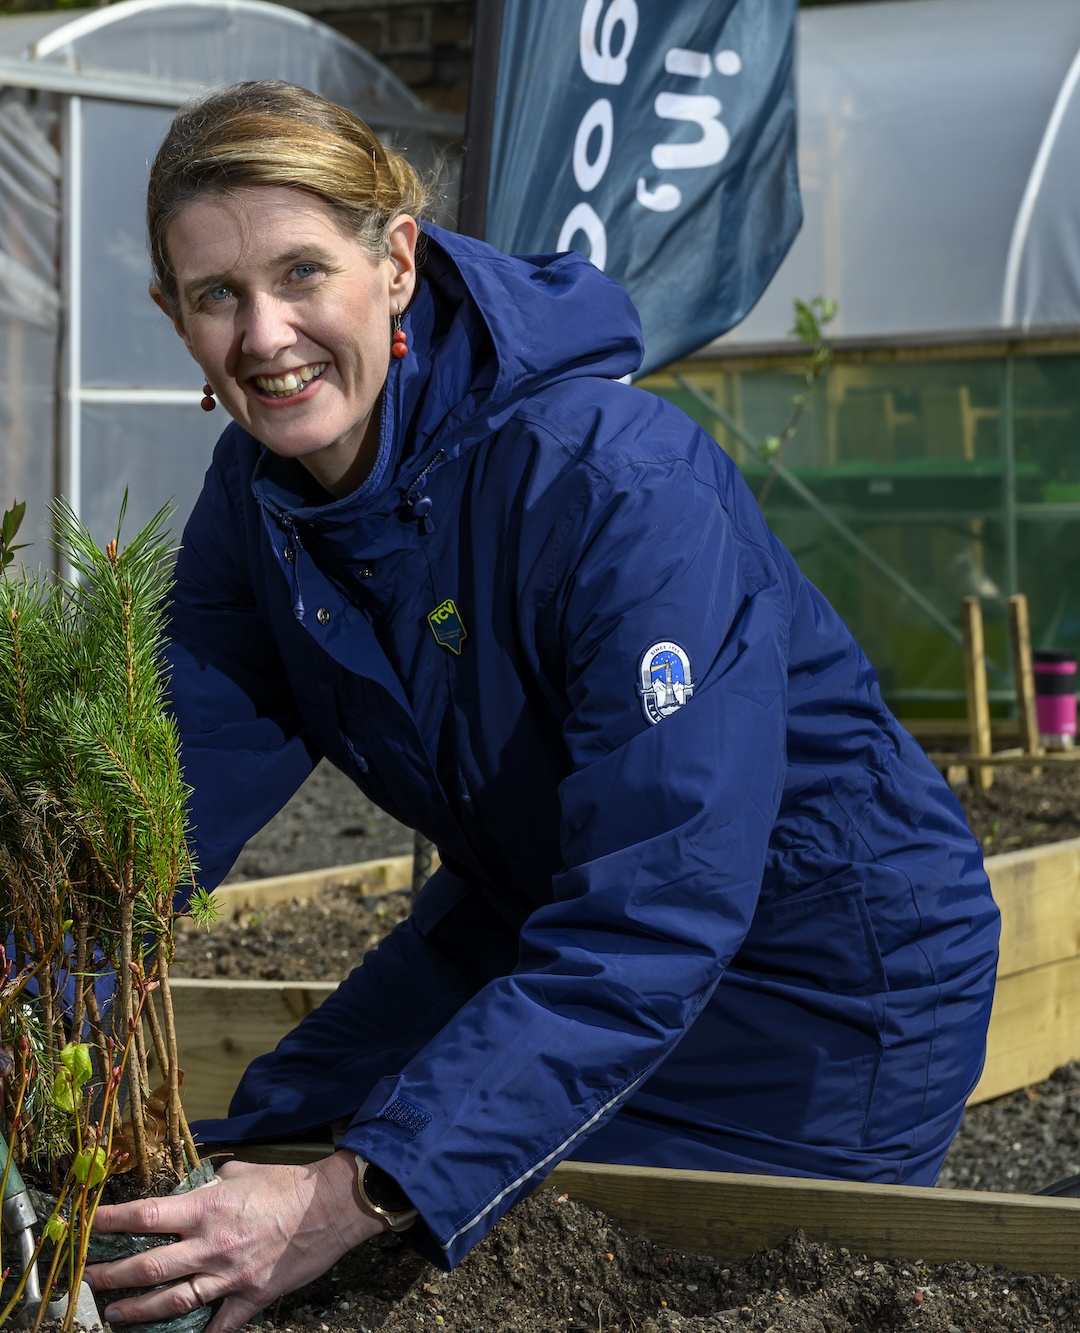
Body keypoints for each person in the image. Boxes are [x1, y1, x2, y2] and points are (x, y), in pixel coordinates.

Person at [78, 81, 1001, 1331]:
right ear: (169, 315)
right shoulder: (256, 499)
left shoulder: (610, 483)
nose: (263, 334)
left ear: (395, 262)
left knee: (540, 1257)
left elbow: (662, 901)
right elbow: (158, 793)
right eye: (214, 296)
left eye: (302, 273)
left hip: (815, 976)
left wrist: (354, 1192)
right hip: (538, 915)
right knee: (264, 1136)